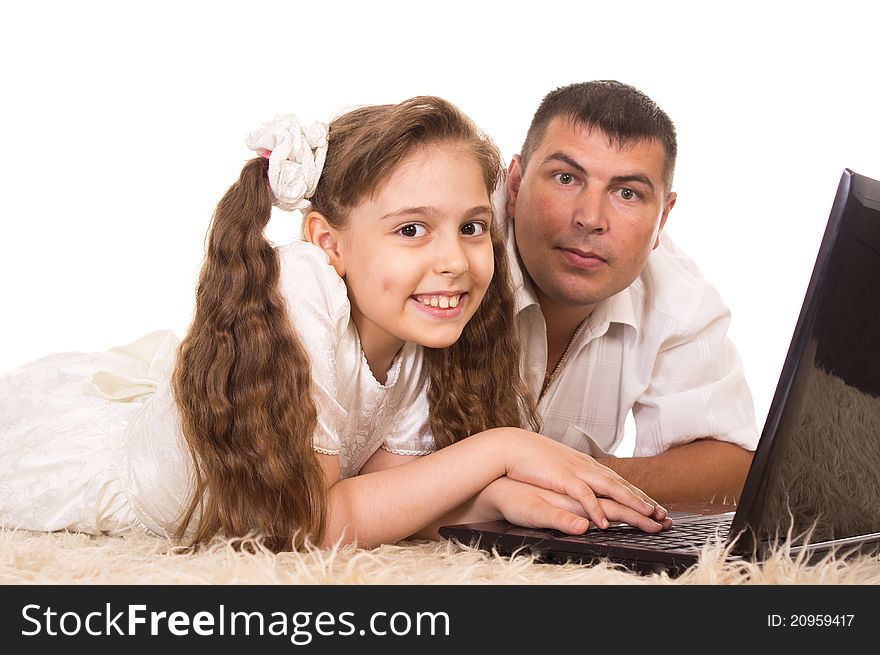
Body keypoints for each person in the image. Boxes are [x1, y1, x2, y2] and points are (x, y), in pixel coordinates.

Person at [0, 96, 669, 552]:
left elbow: (380, 491)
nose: (455, 261)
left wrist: (498, 500)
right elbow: (316, 519)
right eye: (412, 228)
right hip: (88, 463)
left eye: (471, 227)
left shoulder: (415, 334)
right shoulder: (299, 287)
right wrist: (503, 449)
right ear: (329, 240)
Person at [502, 81, 759, 504]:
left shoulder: (679, 297)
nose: (590, 219)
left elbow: (731, 467)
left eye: (627, 193)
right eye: (566, 178)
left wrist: (564, 473)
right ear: (514, 186)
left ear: (662, 219)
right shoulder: (451, 250)